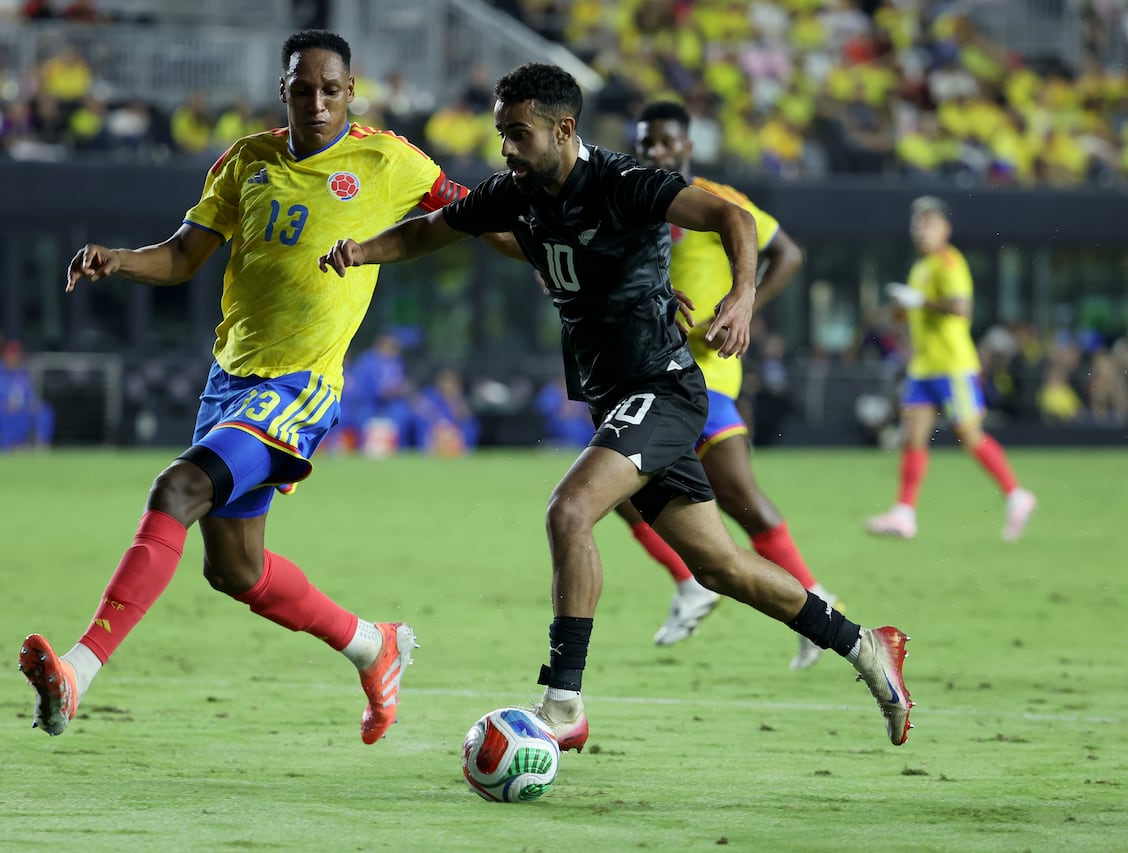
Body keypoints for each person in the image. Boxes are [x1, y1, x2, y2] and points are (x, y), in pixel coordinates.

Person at [319, 63, 914, 750]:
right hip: (618, 396)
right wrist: (362, 251)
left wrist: (743, 295)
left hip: (662, 388)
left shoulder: (624, 181)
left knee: (569, 510)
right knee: (720, 567)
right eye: (501, 133)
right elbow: (431, 230)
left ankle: (563, 702)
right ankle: (866, 646)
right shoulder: (515, 194)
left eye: (518, 133)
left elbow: (732, 217)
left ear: (563, 129)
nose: (506, 149)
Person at [18, 30, 484, 746]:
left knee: (177, 488)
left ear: (351, 92)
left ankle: (78, 672)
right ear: (283, 91)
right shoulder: (245, 161)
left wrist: (546, 246)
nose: (318, 103)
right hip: (229, 381)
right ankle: (373, 645)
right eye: (304, 89)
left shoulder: (389, 159)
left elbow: (473, 212)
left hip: (301, 384)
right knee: (235, 569)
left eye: (331, 90)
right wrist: (120, 259)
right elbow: (183, 256)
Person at [619, 100, 842, 670]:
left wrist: (744, 306)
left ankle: (818, 609)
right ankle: (694, 583)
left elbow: (787, 253)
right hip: (652, 373)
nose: (656, 152)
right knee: (617, 492)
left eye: (667, 142)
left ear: (688, 147)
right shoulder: (629, 201)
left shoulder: (716, 201)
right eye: (647, 143)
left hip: (706, 375)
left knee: (740, 500)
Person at [866, 196, 1036, 542]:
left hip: (952, 365)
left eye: (928, 222)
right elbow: (909, 317)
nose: (921, 229)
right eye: (917, 222)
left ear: (945, 228)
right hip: (923, 366)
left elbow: (961, 308)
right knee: (912, 437)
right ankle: (904, 513)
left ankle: (1016, 495)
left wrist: (920, 301)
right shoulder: (921, 267)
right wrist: (898, 309)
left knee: (968, 436)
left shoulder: (949, 261)